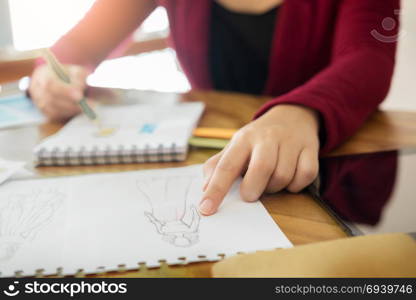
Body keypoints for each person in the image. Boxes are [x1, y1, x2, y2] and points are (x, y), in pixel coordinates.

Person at [28, 0, 400, 216]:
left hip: (334, 173)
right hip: (207, 160)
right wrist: (49, 78)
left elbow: (370, 58)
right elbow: (75, 47)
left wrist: (300, 111)